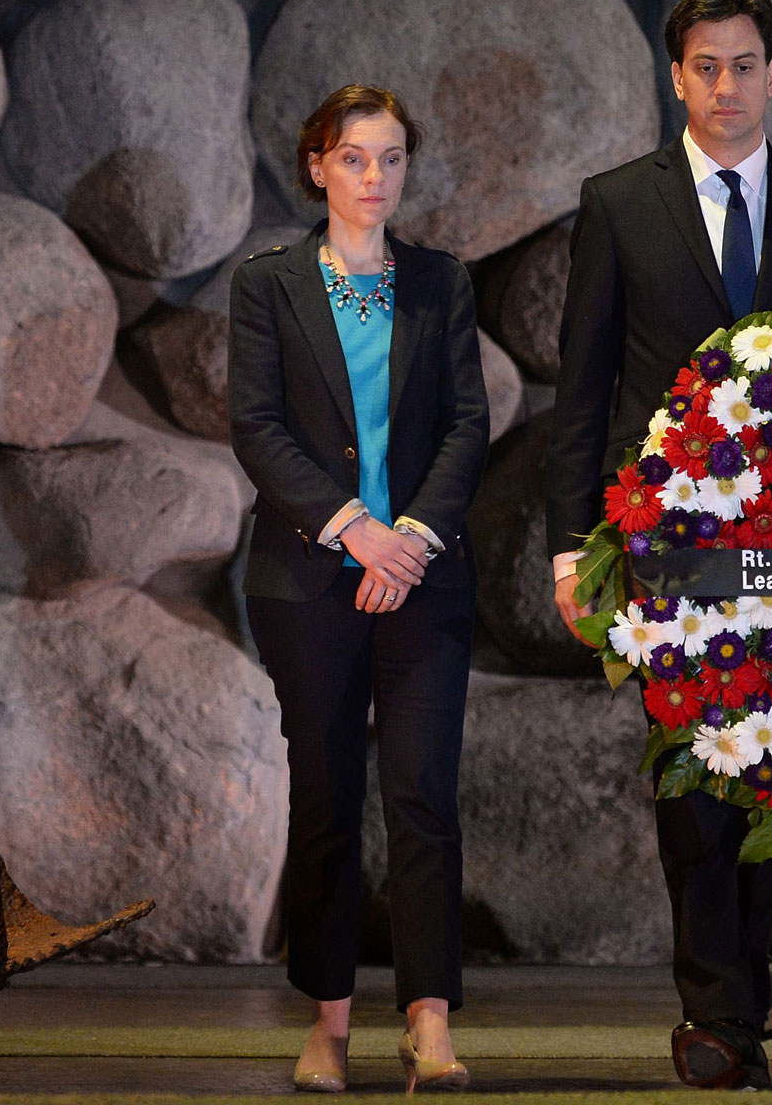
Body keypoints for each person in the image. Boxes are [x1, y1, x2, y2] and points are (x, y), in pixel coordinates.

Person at [543, 0, 772, 1088]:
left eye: (744, 65)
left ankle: (749, 998)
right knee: (693, 777)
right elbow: (582, 387)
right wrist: (570, 545)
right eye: (706, 66)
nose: (726, 85)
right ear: (675, 76)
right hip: (665, 539)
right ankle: (716, 1012)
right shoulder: (616, 204)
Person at [229, 84, 488, 1094]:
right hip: (308, 582)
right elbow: (257, 428)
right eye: (352, 157)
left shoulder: (440, 282)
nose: (373, 176)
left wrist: (408, 540)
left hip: (423, 580)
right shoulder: (268, 284)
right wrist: (357, 532)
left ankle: (429, 1021)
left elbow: (467, 423)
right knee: (328, 799)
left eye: (390, 158)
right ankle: (328, 1025)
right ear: (316, 167)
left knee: (423, 797)